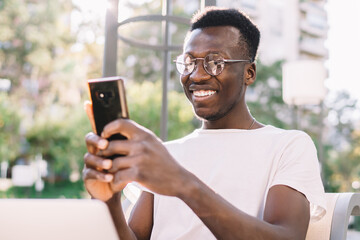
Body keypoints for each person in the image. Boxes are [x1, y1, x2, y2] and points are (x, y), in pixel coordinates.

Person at [83, 7, 326, 240]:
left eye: (215, 63)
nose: (197, 75)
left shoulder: (288, 145)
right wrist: (109, 202)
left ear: (249, 73)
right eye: (189, 63)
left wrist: (183, 184)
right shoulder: (167, 154)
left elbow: (286, 237)